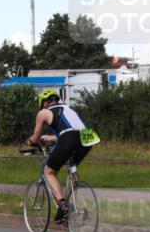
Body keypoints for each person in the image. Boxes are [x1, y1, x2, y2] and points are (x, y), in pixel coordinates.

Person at [24, 90, 97, 223]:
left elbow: (35, 137)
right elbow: (71, 130)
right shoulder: (69, 108)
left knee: (49, 172)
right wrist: (51, 138)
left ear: (44, 102)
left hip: (69, 138)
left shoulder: (43, 112)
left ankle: (62, 205)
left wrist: (28, 143)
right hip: (88, 137)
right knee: (71, 166)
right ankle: (76, 206)